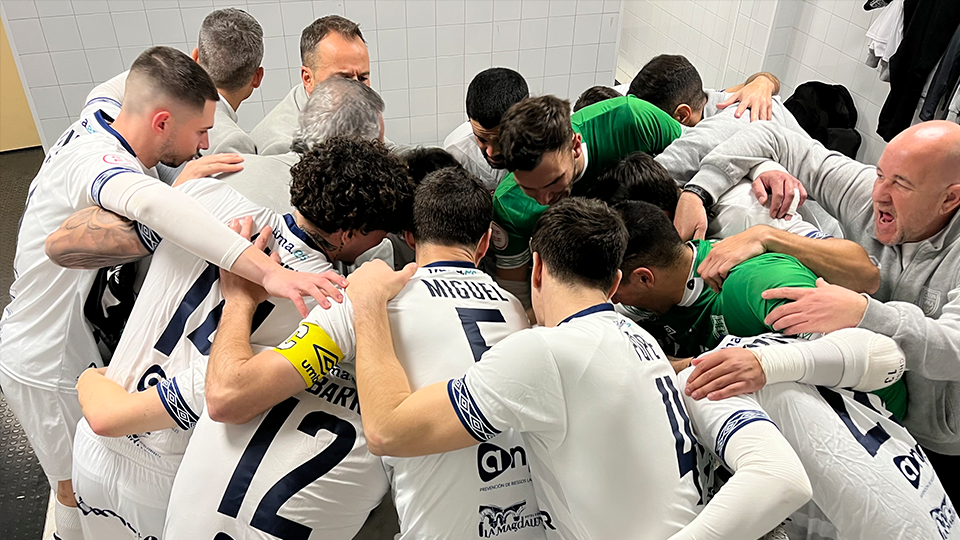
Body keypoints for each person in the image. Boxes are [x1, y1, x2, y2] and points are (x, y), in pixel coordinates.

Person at [0, 47, 340, 540]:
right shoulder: (101, 161)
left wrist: (195, 63)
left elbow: (147, 71)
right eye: (200, 131)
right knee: (73, 490)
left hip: (79, 336)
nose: (206, 143)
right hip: (45, 359)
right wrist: (264, 273)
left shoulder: (106, 107)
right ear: (161, 122)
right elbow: (154, 206)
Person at [345, 198, 812, 540]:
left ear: (538, 269)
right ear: (613, 283)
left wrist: (366, 300)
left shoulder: (545, 353)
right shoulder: (643, 342)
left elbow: (388, 430)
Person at [55, 137, 411, 539]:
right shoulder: (322, 299)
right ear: (348, 234)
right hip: (168, 460)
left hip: (99, 428)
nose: (377, 244)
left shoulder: (203, 196)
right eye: (376, 235)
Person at [678, 118, 960, 502]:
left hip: (933, 440)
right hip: (857, 398)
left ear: (950, 198)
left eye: (902, 186)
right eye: (880, 175)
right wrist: (700, 191)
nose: (880, 194)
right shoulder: (871, 192)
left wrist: (863, 312)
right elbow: (774, 136)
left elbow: (954, 351)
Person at [611, 201, 906, 419]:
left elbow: (878, 371)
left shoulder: (752, 283)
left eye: (612, 286)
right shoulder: (640, 310)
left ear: (643, 278)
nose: (610, 298)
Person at [682, 332, 955, 540]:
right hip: (927, 497)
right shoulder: (752, 344)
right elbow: (886, 356)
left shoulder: (700, 383)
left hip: (891, 521)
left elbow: (778, 482)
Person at [595, 152, 880, 294]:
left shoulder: (743, 210)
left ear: (661, 216)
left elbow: (865, 273)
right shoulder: (684, 197)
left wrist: (765, 237)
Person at [251, 15, 371, 155]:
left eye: (362, 78)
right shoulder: (282, 146)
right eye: (343, 79)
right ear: (308, 78)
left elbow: (384, 148)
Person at [442, 68, 529, 190]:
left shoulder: (549, 143)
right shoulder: (457, 151)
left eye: (501, 141)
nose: (491, 152)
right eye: (482, 139)